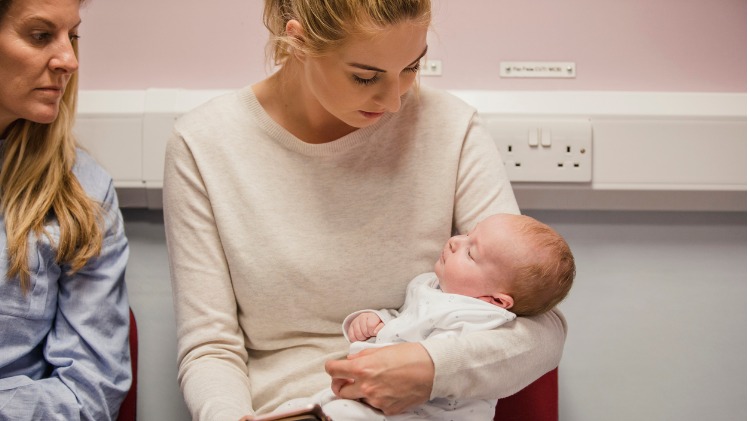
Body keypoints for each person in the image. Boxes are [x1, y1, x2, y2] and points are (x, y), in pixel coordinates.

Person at [163, 1, 567, 420]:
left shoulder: (451, 128)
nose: (394, 102)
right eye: (365, 77)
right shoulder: (203, 145)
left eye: (412, 67)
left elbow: (542, 330)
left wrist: (431, 368)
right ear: (298, 41)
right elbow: (210, 348)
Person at [266, 213, 575, 420]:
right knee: (301, 408)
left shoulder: (481, 317)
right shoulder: (430, 286)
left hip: (427, 412)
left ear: (496, 299)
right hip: (362, 396)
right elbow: (405, 322)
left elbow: (521, 342)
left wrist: (428, 367)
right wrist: (377, 320)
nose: (456, 241)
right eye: (467, 235)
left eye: (471, 252)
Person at [0, 0, 131, 419]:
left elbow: (91, 392)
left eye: (72, 36)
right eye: (40, 36)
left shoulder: (85, 194)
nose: (69, 60)